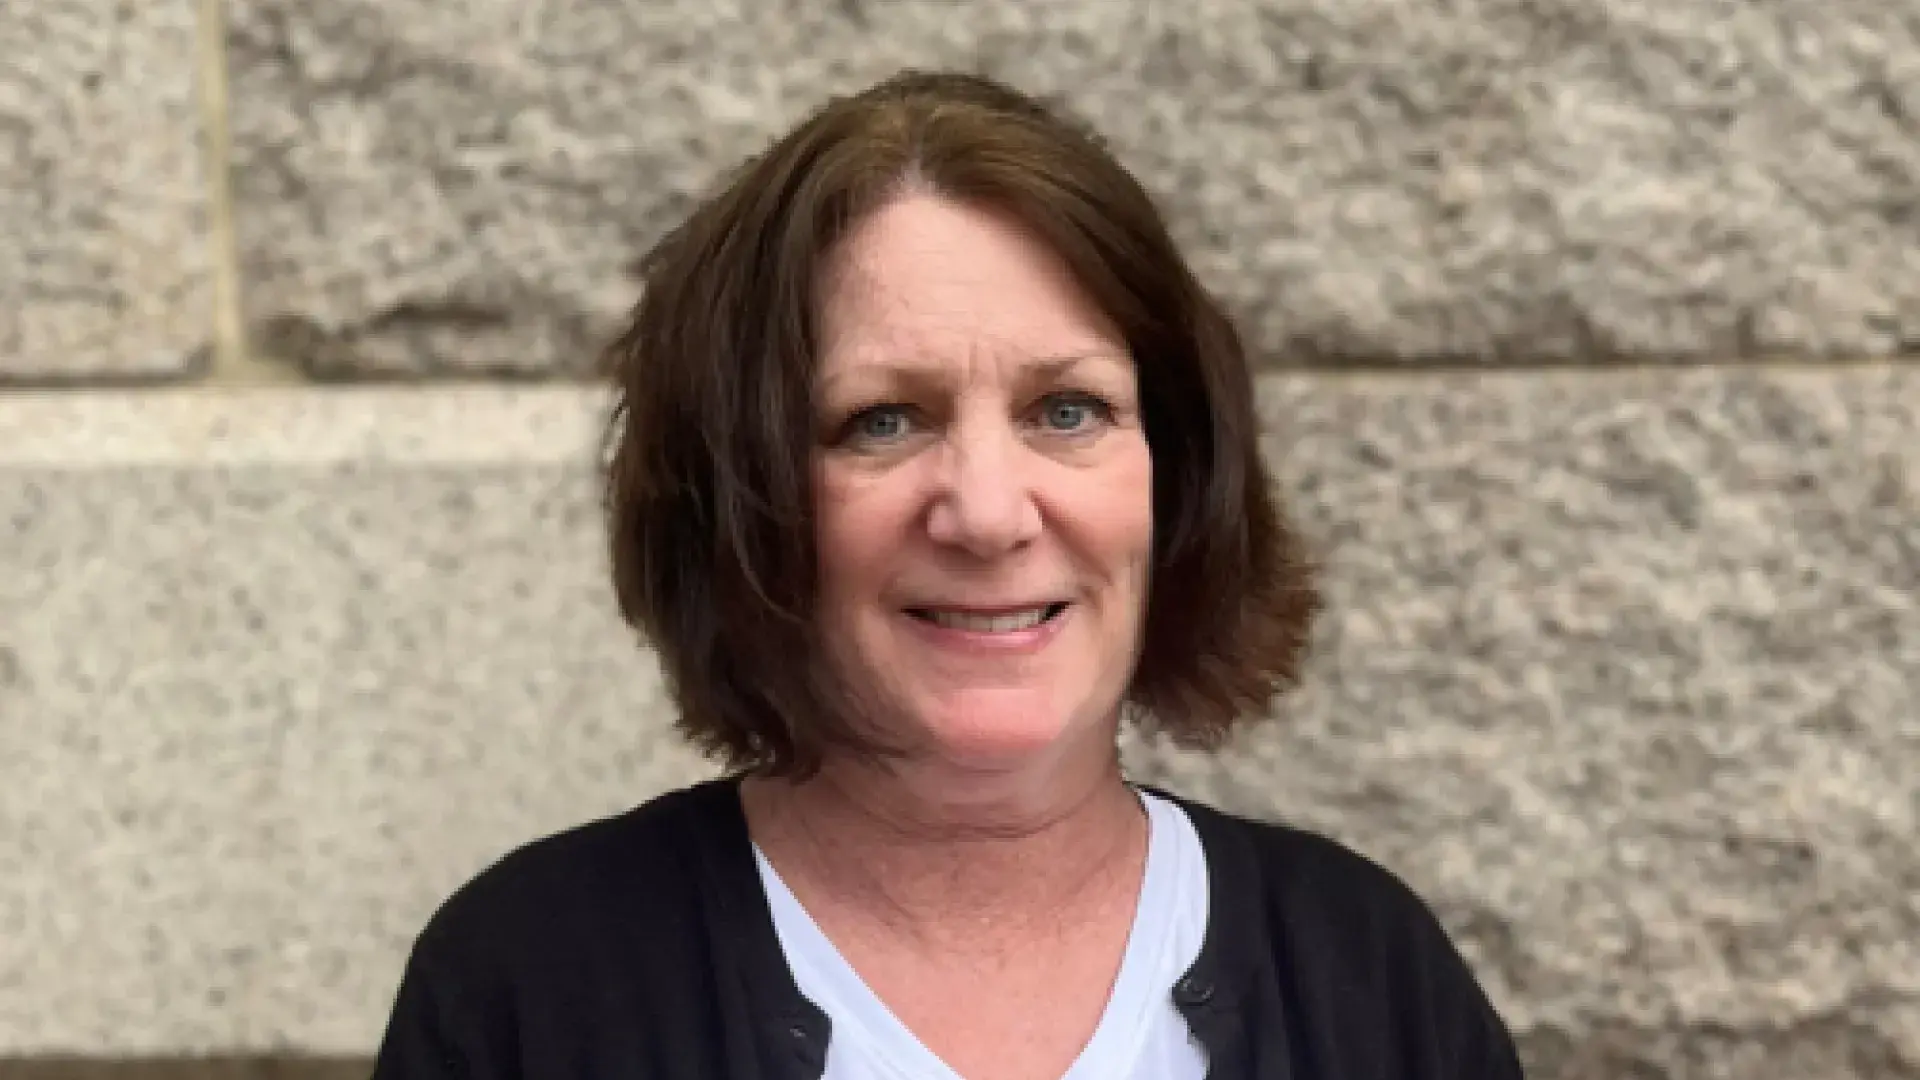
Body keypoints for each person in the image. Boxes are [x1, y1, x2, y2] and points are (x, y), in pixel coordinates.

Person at [369, 69, 1525, 1080]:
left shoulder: (1368, 980)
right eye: (882, 420)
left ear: (1175, 477)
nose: (986, 513)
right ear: (737, 501)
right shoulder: (536, 992)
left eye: (1065, 410)